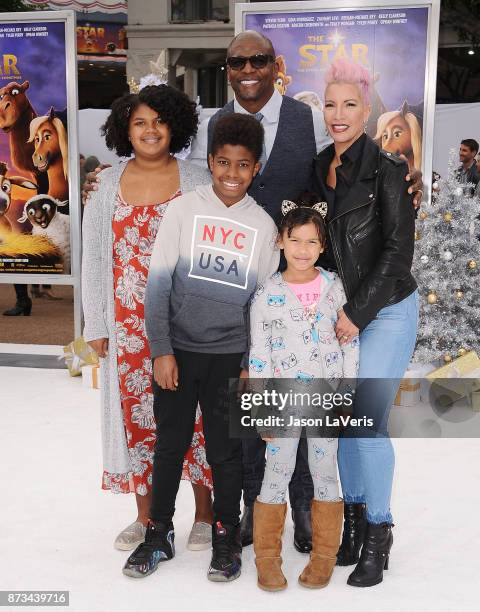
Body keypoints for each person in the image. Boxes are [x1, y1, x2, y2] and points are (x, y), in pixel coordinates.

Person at [124, 114, 279, 582]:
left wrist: (253, 363)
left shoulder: (263, 226)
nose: (232, 174)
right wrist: (161, 350)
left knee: (225, 453)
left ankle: (226, 536)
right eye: (224, 163)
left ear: (256, 169)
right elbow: (157, 287)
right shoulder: (183, 210)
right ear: (210, 161)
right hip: (180, 353)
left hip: (231, 357)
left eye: (243, 165)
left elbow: (264, 304)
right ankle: (159, 533)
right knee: (169, 446)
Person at [81, 84, 215, 555]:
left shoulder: (199, 180)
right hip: (127, 330)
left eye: (159, 120)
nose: (150, 130)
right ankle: (147, 518)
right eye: (139, 122)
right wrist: (95, 324)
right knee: (136, 420)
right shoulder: (104, 187)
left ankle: (204, 513)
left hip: (188, 325)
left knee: (196, 419)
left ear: (175, 126)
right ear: (125, 130)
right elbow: (96, 258)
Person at [313, 58, 418, 588]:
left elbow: (398, 255)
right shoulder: (317, 168)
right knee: (340, 421)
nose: (338, 114)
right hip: (341, 314)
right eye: (330, 104)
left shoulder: (390, 171)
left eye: (349, 104)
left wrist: (357, 313)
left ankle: (379, 530)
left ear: (367, 109)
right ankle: (352, 521)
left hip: (387, 310)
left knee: (367, 421)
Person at [248, 195, 359, 591]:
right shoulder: (266, 294)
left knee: (324, 474)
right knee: (275, 475)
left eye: (312, 242)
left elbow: (349, 343)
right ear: (281, 241)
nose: (302, 249)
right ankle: (267, 561)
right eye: (295, 240)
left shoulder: (334, 288)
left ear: (323, 246)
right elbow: (259, 354)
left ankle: (324, 559)